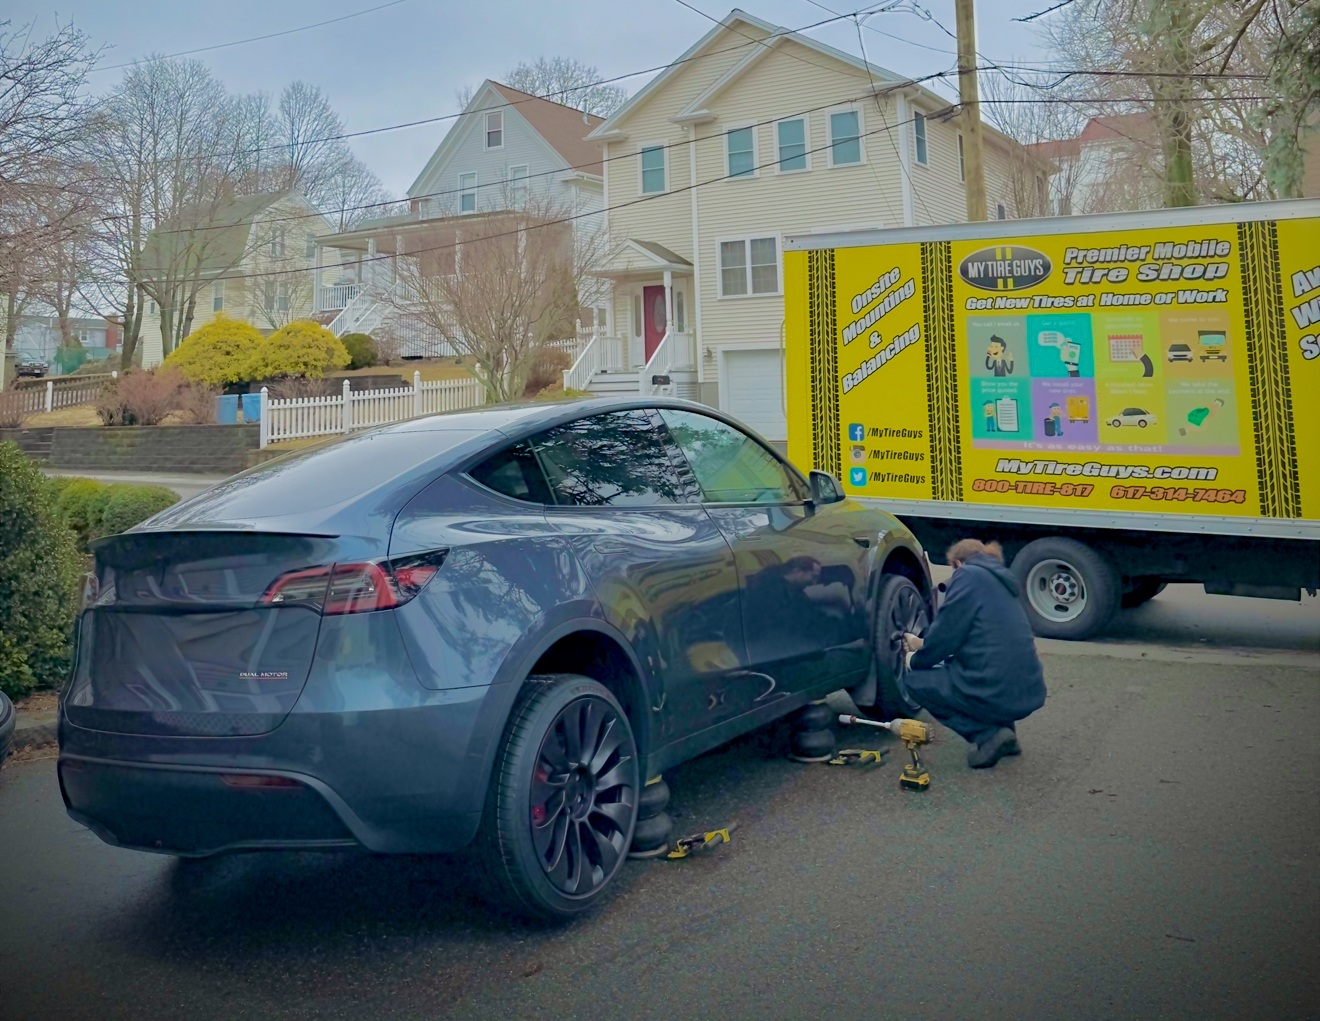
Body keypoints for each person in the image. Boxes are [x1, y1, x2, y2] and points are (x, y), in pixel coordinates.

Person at [900, 539, 1046, 768]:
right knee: (989, 666)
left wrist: (914, 660)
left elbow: (947, 634)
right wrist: (921, 642)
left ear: (957, 563)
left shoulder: (967, 575)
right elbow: (978, 636)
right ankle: (1007, 735)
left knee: (916, 681)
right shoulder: (1000, 581)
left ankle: (988, 735)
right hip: (1027, 689)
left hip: (995, 687)